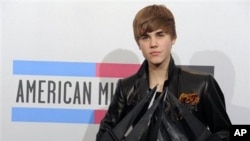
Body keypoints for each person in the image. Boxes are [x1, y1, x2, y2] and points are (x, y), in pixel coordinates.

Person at [96, 4, 231, 141]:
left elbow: (225, 133)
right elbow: (105, 136)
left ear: (173, 38)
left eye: (160, 35)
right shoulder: (126, 88)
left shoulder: (202, 84)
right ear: (138, 43)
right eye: (145, 37)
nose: (153, 43)